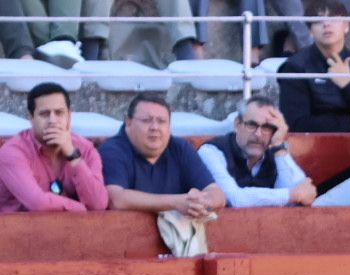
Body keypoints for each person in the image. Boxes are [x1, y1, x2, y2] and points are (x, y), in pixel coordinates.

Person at [100, 92, 224, 219]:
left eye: (161, 121)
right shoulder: (113, 149)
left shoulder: (180, 148)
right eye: (146, 120)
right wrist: (175, 203)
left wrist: (201, 203)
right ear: (128, 122)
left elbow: (217, 194)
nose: (155, 127)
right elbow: (115, 199)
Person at [279, 2, 350, 134]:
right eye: (318, 20)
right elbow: (295, 125)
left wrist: (348, 85)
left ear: (346, 26)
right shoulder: (295, 66)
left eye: (333, 18)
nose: (326, 24)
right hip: (311, 148)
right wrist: (349, 124)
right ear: (310, 31)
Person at [0, 80, 107, 213]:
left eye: (59, 113)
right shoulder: (12, 152)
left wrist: (73, 155)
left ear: (69, 116)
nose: (52, 120)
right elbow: (38, 203)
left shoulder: (85, 149)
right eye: (44, 114)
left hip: (72, 231)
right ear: (31, 117)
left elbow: (99, 203)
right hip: (16, 231)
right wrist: (79, 208)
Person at [198, 94, 317, 208]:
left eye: (267, 127)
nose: (258, 134)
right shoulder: (212, 151)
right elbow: (233, 198)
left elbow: (302, 196)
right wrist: (292, 195)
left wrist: (278, 146)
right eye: (251, 125)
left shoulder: (275, 155)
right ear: (237, 124)